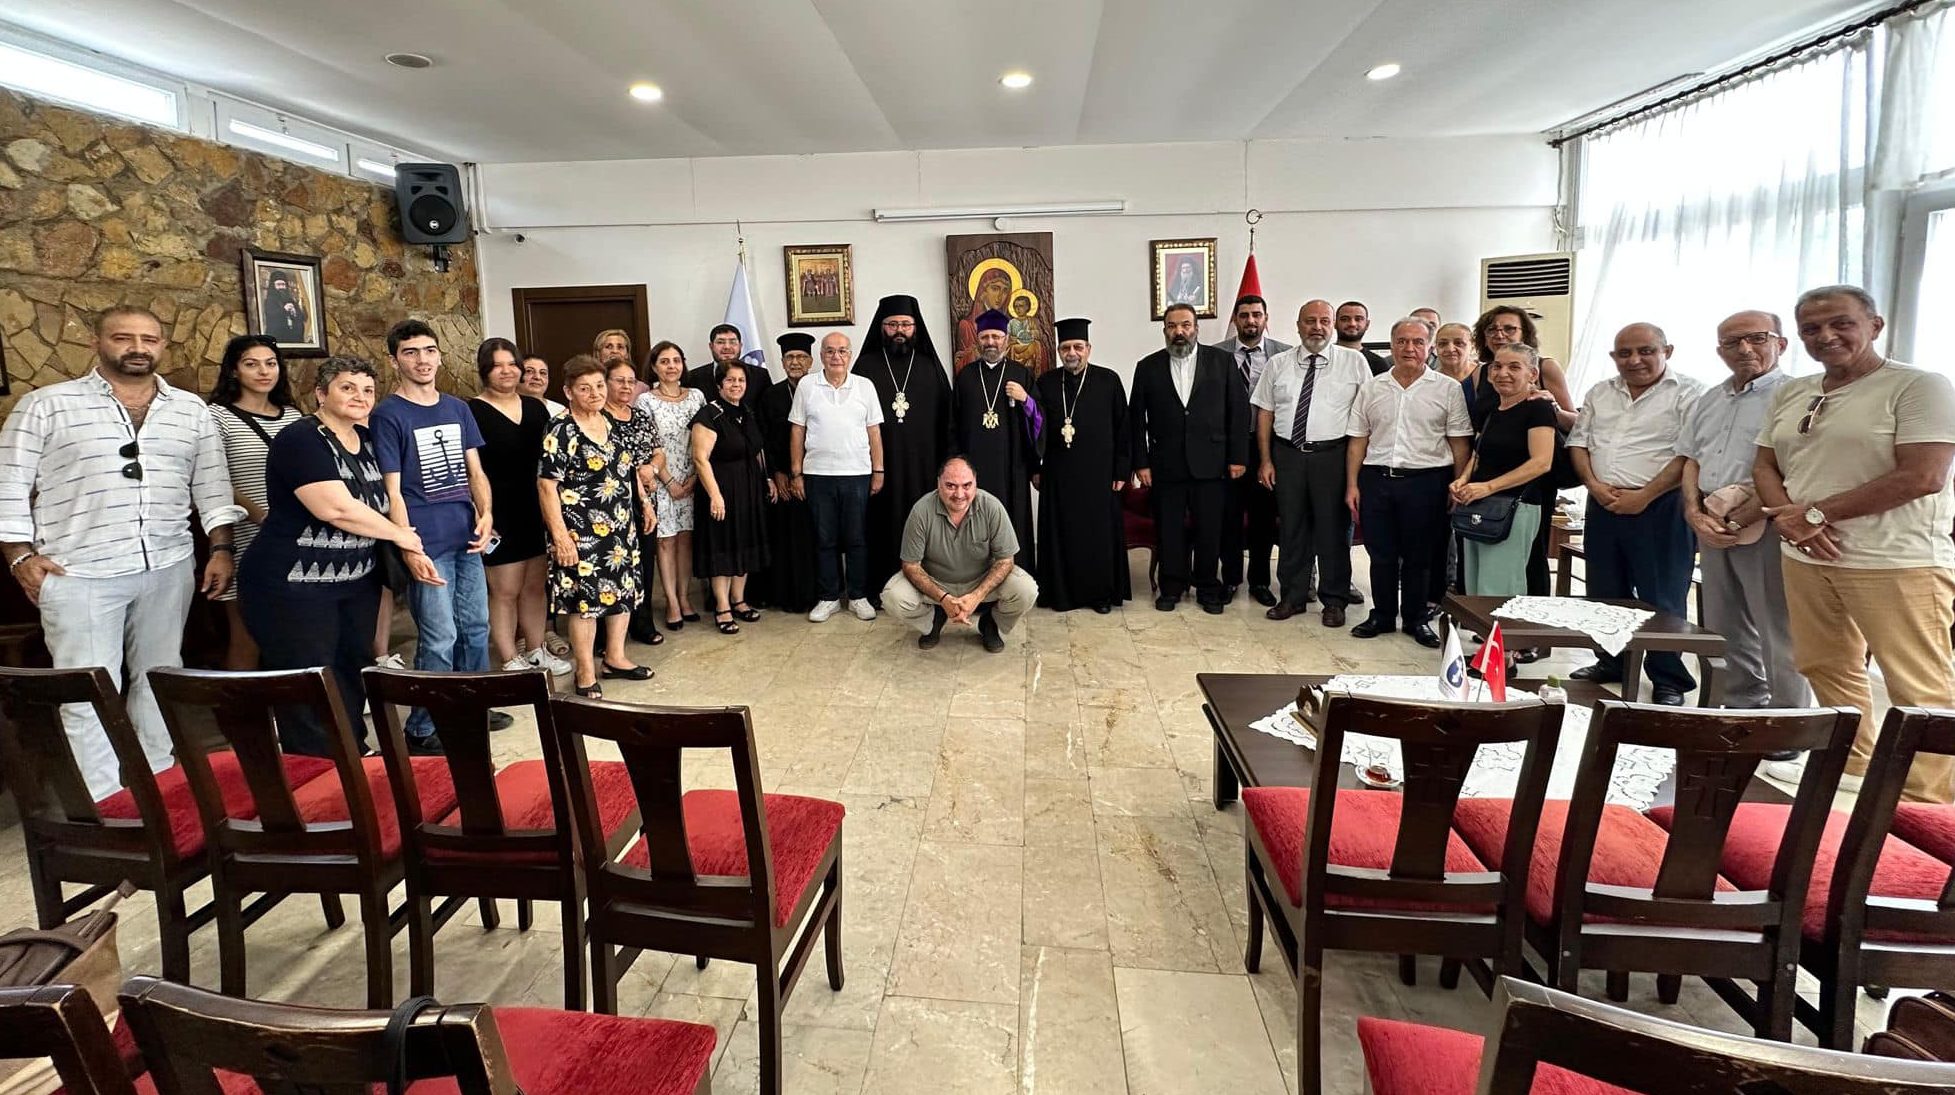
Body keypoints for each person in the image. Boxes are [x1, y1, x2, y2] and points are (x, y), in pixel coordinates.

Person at [0, 305, 242, 798]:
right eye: (123, 337)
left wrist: (220, 548)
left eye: (149, 339)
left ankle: (159, 784)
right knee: (88, 689)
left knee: (160, 678)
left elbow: (213, 486)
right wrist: (20, 557)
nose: (137, 348)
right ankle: (109, 803)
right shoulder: (47, 405)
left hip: (168, 563)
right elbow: (9, 484)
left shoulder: (190, 410)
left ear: (162, 346)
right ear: (96, 342)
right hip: (77, 570)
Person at [1755, 285, 1955, 799]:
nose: (1826, 336)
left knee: (1918, 684)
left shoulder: (1918, 386)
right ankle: (1852, 763)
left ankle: (1925, 799)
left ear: (1874, 325)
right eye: (1811, 328)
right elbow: (1766, 464)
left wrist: (1815, 515)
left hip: (1895, 559)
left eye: (1841, 323)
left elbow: (1923, 475)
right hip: (1805, 554)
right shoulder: (1794, 391)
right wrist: (1791, 522)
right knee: (1824, 663)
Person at [240, 356, 430, 755]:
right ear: (321, 393)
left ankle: (352, 750)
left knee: (349, 669)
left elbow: (391, 495)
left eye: (367, 390)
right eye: (347, 387)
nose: (360, 396)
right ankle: (316, 766)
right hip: (295, 584)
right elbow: (335, 508)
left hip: (355, 582)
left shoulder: (368, 441)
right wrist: (402, 536)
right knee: (307, 678)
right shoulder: (302, 439)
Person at [1677, 311, 1809, 728]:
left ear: (1781, 344)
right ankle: (1741, 703)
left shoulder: (1797, 395)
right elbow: (1691, 459)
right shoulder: (1711, 398)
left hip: (1766, 520)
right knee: (1723, 619)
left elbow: (1795, 467)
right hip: (1712, 519)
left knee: (1776, 624)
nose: (1744, 349)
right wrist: (1693, 511)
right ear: (1720, 351)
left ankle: (1787, 720)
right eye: (1732, 342)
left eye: (1757, 338)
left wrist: (1745, 516)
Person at [371, 319, 494, 748]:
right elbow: (392, 490)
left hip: (466, 536)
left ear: (439, 355)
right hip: (426, 542)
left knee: (475, 628)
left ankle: (472, 708)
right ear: (394, 361)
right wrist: (408, 545)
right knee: (440, 637)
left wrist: (487, 513)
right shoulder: (388, 414)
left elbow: (475, 470)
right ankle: (422, 728)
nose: (422, 360)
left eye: (428, 351)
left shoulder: (457, 408)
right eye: (410, 352)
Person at [1566, 323, 1704, 704]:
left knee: (1662, 595)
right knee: (1605, 590)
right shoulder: (1600, 392)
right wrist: (1593, 486)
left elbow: (1689, 455)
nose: (1634, 360)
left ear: (1667, 351)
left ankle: (1668, 678)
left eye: (1646, 351)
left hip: (1661, 506)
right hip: (1603, 502)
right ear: (1614, 356)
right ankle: (1611, 662)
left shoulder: (1690, 393)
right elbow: (1579, 442)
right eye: (1624, 353)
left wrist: (1645, 496)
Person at [1345, 318, 1471, 647]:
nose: (1409, 348)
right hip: (1377, 479)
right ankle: (1383, 615)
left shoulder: (1447, 389)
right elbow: (1358, 440)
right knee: (1380, 553)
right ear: (1391, 345)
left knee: (1420, 556)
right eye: (1402, 341)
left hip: (1427, 482)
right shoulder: (1372, 387)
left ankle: (1416, 619)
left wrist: (1458, 484)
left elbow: (1459, 442)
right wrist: (1352, 485)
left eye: (1417, 342)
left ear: (1429, 348)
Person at [540, 355, 657, 698]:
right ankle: (585, 671)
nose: (594, 393)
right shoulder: (561, 429)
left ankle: (615, 658)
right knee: (585, 603)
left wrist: (644, 504)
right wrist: (560, 537)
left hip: (620, 525)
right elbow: (546, 486)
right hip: (581, 532)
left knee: (622, 594)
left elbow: (627, 469)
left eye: (599, 386)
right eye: (584, 388)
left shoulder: (609, 421)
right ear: (568, 392)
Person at [1254, 300, 1370, 626]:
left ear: (1332, 325)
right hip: (1287, 455)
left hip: (1333, 457)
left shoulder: (1354, 362)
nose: (1317, 327)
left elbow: (1366, 416)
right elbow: (1265, 413)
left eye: (1323, 321)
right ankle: (1292, 597)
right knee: (1292, 529)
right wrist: (1265, 460)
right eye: (1309, 321)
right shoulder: (1278, 363)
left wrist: (1356, 472)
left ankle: (1334, 600)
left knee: (1333, 531)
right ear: (1298, 325)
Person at [1129, 302, 1250, 614]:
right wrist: (1141, 463)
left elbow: (1238, 412)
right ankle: (1171, 586)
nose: (1179, 331)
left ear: (1196, 328)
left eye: (1185, 325)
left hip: (1212, 463)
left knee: (1209, 529)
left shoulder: (1222, 361)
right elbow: (1136, 420)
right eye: (1172, 326)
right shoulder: (1148, 366)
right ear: (1164, 330)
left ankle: (1207, 587)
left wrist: (1238, 457)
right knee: (1169, 529)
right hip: (1165, 465)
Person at [471, 337, 568, 676]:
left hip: (535, 507)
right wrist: (480, 512)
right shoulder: (472, 411)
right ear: (485, 370)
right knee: (505, 590)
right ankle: (510, 657)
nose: (507, 371)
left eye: (512, 364)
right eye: (498, 365)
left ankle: (537, 650)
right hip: (497, 511)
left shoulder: (536, 408)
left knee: (534, 586)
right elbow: (470, 470)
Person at [207, 334, 303, 669]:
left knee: (295, 629)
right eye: (252, 364)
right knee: (247, 632)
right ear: (234, 371)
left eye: (270, 363)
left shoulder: (292, 415)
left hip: (293, 536)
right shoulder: (218, 417)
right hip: (247, 535)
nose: (264, 371)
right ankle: (242, 700)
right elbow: (215, 479)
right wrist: (262, 516)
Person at [882, 456, 1040, 652]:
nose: (959, 494)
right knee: (892, 597)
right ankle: (932, 621)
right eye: (950, 486)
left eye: (966, 485)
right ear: (938, 483)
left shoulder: (992, 506)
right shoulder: (921, 510)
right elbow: (910, 565)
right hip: (936, 583)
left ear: (975, 483)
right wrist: (943, 598)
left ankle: (992, 624)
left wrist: (976, 596)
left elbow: (1006, 560)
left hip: (981, 581)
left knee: (1026, 590)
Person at [854, 294, 952, 606]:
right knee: (879, 525)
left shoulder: (929, 367)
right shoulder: (865, 367)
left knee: (923, 525)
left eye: (906, 324)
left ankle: (928, 590)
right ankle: (880, 590)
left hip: (924, 466)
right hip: (880, 467)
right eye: (892, 324)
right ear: (881, 327)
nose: (899, 330)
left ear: (916, 327)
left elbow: (947, 420)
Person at [1033, 317, 1130, 613]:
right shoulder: (1046, 383)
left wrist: (1121, 470)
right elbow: (1034, 428)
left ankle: (1099, 595)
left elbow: (1124, 428)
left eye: (1078, 346)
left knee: (1096, 536)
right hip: (1058, 474)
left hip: (1099, 475)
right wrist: (1035, 468)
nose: (1071, 353)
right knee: (1062, 535)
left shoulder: (1108, 381)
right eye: (1066, 348)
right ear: (1059, 351)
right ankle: (1062, 595)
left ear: (1088, 348)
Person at [1449, 345, 1557, 609]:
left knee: (1499, 586)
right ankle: (1482, 635)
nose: (1503, 373)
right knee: (1475, 586)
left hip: (1515, 507)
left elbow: (1541, 462)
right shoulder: (1493, 410)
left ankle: (1503, 637)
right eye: (1497, 366)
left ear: (1532, 374)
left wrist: (1488, 487)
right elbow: (1479, 454)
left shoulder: (1538, 408)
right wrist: (1463, 479)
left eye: (1514, 367)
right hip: (1478, 505)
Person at [790, 331, 886, 622]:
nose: (836, 357)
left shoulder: (865, 386)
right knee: (825, 539)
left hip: (857, 474)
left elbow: (874, 431)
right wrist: (796, 472)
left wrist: (878, 470)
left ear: (850, 355)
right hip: (818, 474)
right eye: (830, 351)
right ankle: (829, 597)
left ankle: (858, 596)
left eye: (842, 351)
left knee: (856, 538)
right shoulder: (807, 385)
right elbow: (797, 430)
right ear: (821, 356)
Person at [1214, 295, 1293, 606]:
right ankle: (1231, 579)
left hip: (1267, 448)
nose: (1251, 321)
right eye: (1244, 315)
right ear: (1235, 319)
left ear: (1265, 318)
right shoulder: (1215, 354)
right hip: (1227, 448)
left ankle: (1260, 581)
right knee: (1229, 516)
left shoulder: (1285, 355)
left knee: (1263, 518)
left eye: (1256, 315)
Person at [952, 308, 1040, 569]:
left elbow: (1040, 419)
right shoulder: (966, 376)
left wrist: (1025, 399)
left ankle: (1016, 577)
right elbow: (953, 424)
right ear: (978, 340)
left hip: (1012, 466)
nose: (991, 342)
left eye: (996, 337)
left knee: (1013, 521)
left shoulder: (1021, 374)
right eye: (985, 337)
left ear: (1007, 340)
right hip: (974, 467)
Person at [691, 361, 773, 633]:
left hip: (749, 489)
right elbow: (700, 459)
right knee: (723, 548)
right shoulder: (708, 414)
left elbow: (756, 450)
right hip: (722, 490)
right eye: (730, 380)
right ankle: (723, 607)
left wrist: (767, 479)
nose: (736, 385)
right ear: (719, 385)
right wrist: (715, 496)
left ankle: (739, 600)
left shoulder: (746, 411)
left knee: (744, 544)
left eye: (741, 380)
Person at [635, 341, 702, 633]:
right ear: (654, 366)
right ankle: (671, 602)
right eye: (664, 361)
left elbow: (705, 439)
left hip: (692, 479)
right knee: (666, 542)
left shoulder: (696, 396)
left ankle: (685, 597)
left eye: (676, 360)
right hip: (662, 482)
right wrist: (670, 481)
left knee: (686, 540)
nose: (671, 366)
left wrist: (694, 478)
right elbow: (647, 445)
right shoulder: (645, 401)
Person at [762, 332, 821, 614]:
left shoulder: (821, 391)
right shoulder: (771, 395)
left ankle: (819, 593)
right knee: (786, 536)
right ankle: (786, 595)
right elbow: (764, 438)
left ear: (811, 361)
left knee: (816, 537)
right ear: (782, 362)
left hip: (817, 475)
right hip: (784, 478)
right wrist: (777, 472)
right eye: (789, 357)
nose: (795, 362)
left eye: (801, 357)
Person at [687, 323, 772, 396]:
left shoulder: (760, 375)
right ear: (711, 346)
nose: (727, 347)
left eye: (732, 342)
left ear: (740, 346)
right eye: (720, 342)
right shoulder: (693, 377)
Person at [1336, 301, 1392, 375]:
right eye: (1345, 319)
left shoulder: (1379, 364)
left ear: (1367, 324)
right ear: (1334, 323)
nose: (1352, 324)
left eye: (1358, 319)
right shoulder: (1323, 357)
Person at [594, 329, 647, 399]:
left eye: (620, 347)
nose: (615, 351)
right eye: (609, 347)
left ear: (627, 354)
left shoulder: (641, 388)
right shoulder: (589, 384)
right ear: (598, 353)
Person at [262, 274, 308, 344]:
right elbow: (272, 316)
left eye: (283, 284)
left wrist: (294, 312)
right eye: (278, 284)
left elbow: (302, 317)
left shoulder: (292, 301)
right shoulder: (269, 301)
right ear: (273, 286)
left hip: (293, 338)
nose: (281, 287)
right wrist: (284, 309)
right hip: (278, 337)